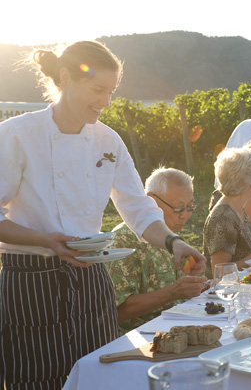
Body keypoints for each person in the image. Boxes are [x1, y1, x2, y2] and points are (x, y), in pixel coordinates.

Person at [0, 41, 205, 390]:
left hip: (91, 278)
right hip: (33, 282)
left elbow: (138, 208)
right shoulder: (17, 135)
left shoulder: (108, 140)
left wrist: (174, 242)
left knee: (100, 373)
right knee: (37, 379)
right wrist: (46, 240)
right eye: (98, 90)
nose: (106, 102)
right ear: (65, 78)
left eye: (111, 91)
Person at [106, 167, 209, 335]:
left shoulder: (175, 237)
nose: (185, 216)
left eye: (190, 207)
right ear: (151, 201)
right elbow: (117, 311)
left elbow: (187, 289)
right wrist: (172, 293)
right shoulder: (123, 240)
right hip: (141, 339)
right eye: (178, 208)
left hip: (180, 328)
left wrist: (202, 286)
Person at [203, 148, 251, 278]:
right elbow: (219, 272)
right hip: (230, 292)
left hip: (246, 286)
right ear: (247, 181)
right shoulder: (223, 217)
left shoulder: (237, 208)